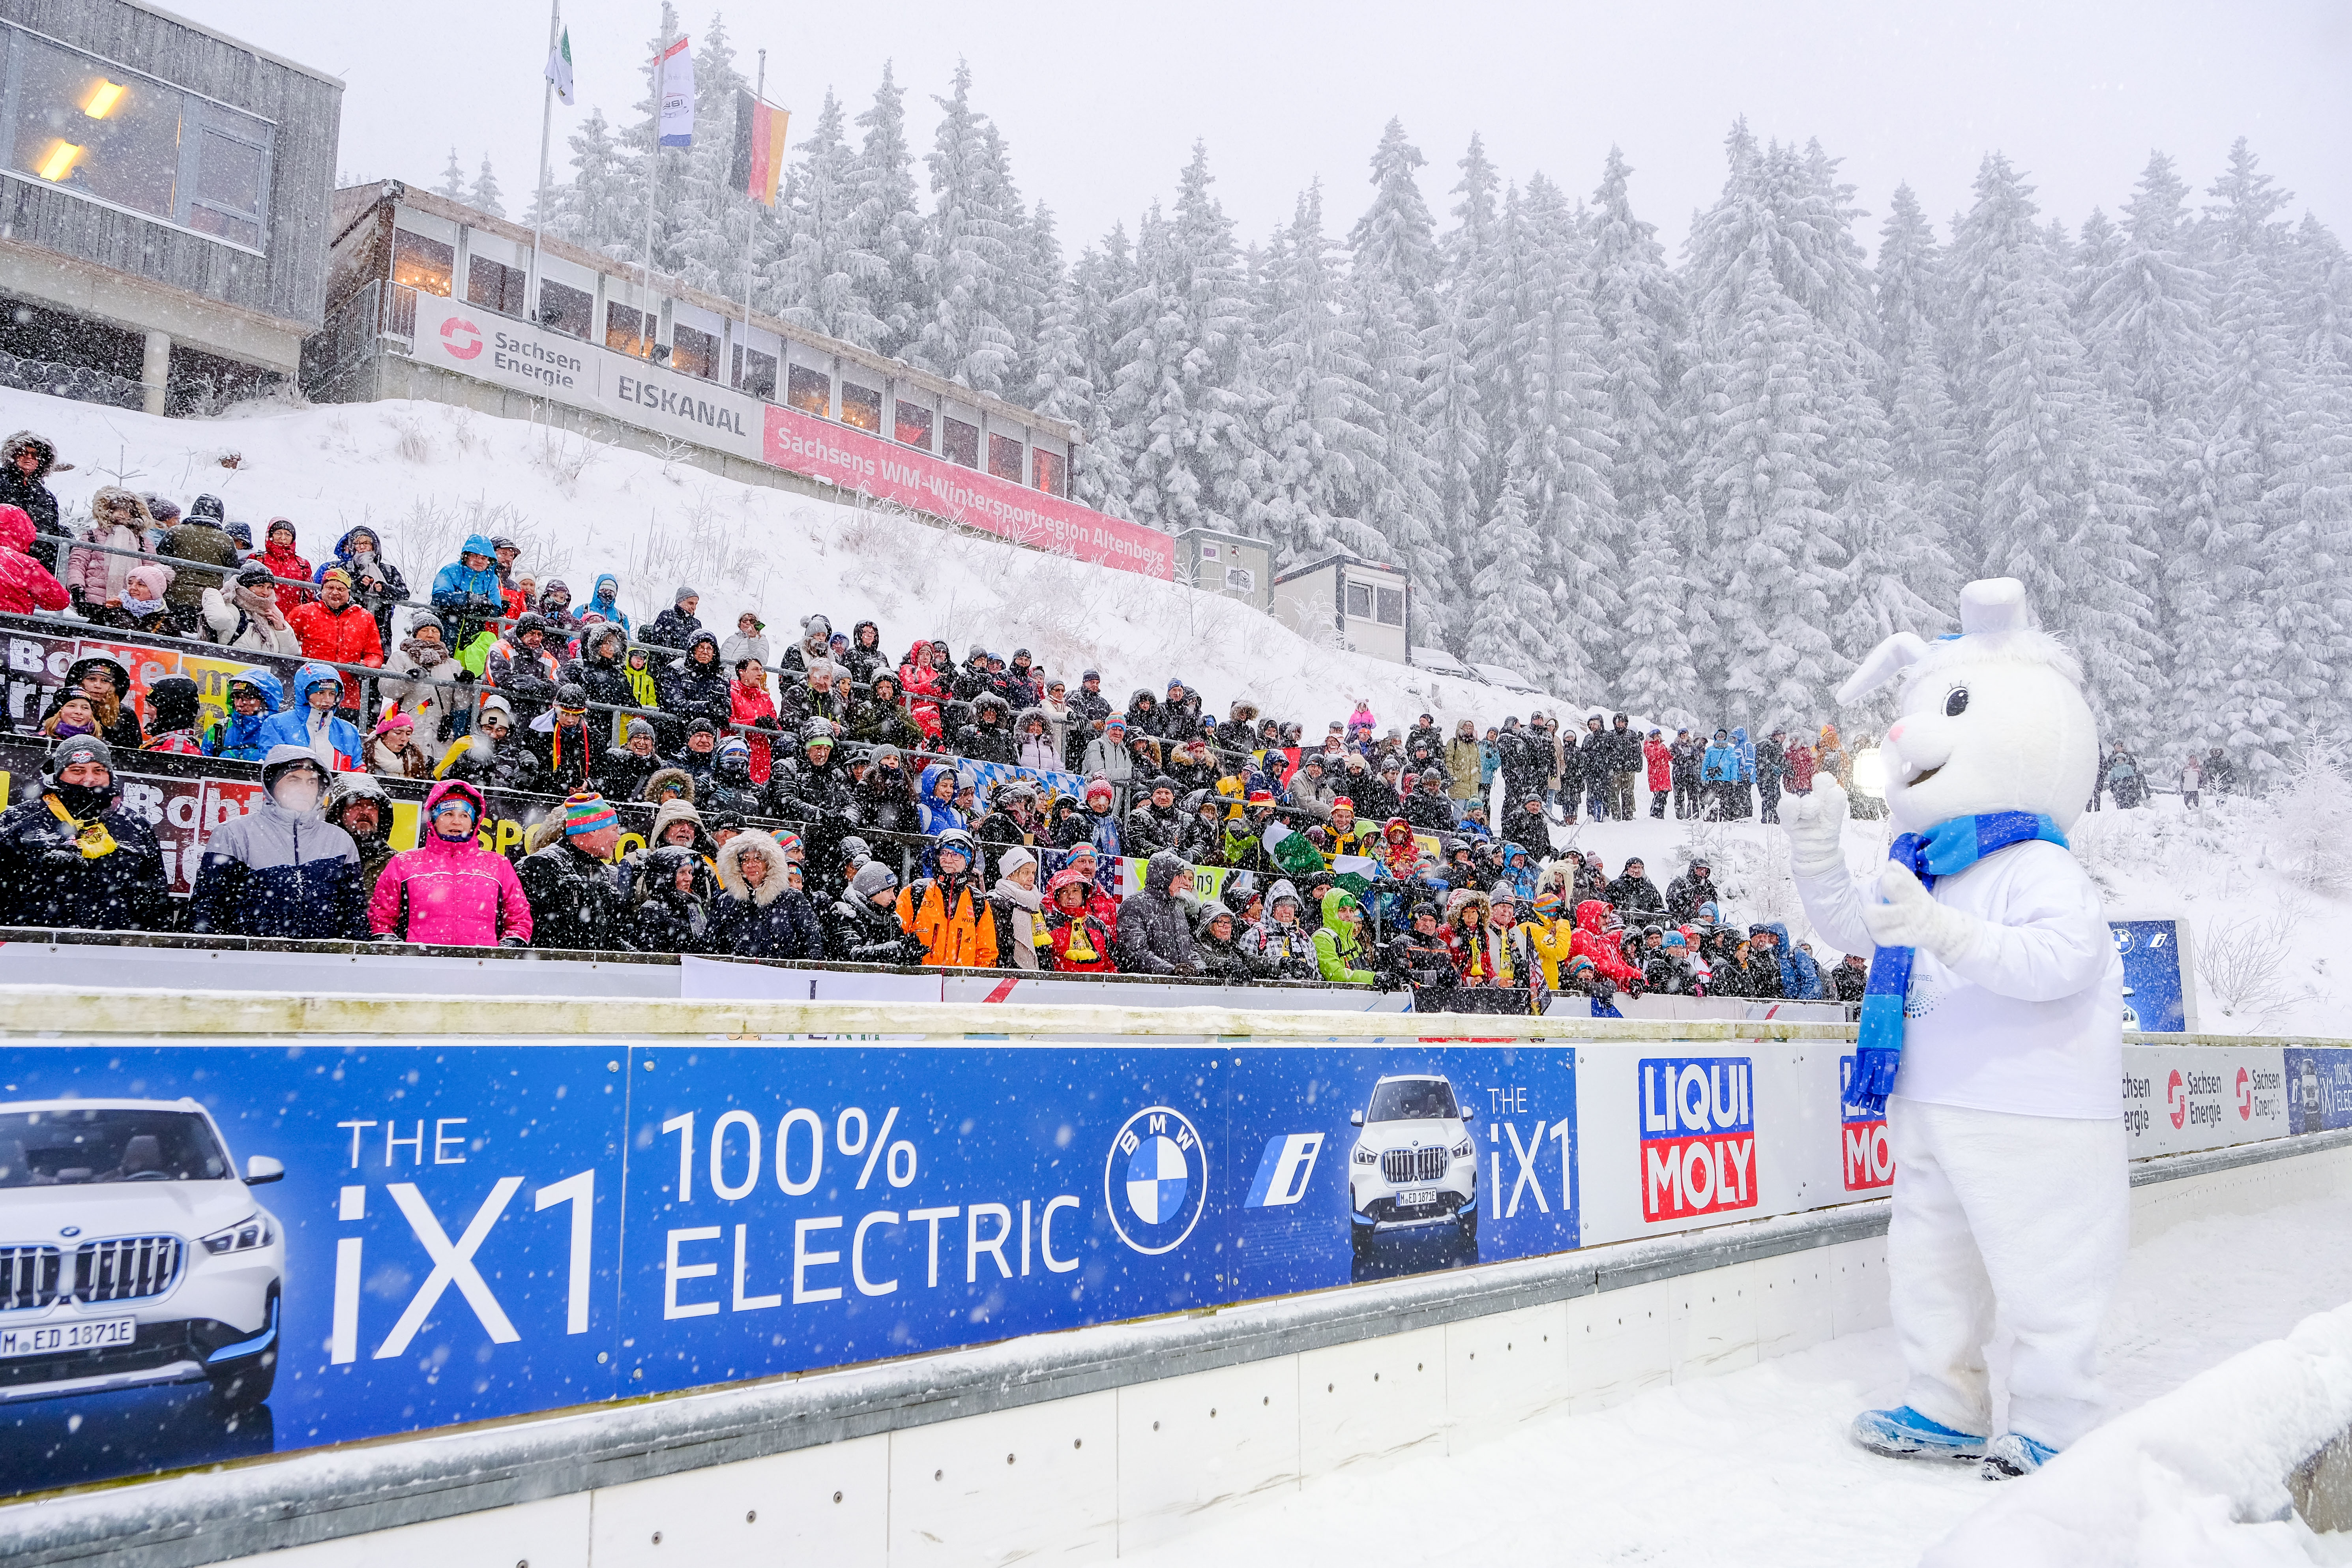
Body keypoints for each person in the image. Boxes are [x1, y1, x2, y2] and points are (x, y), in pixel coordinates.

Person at [191, 746, 364, 939]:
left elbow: (355, 914)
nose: (304, 790)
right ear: (272, 785)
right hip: (250, 961)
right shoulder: (235, 833)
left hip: (322, 961)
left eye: (312, 782)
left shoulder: (340, 840)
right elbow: (208, 908)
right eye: (294, 780)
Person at [0, 735, 170, 932]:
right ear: (58, 775)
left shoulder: (135, 825)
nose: (89, 779)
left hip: (111, 950)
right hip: (32, 948)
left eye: (99, 770)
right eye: (77, 771)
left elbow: (156, 900)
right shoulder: (17, 820)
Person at [367, 778, 530, 946]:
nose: (457, 822)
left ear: (474, 822)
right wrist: (397, 951)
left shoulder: (498, 865)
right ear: (434, 820)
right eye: (448, 814)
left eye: (464, 815)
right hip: (418, 966)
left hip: (481, 967)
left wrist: (505, 950)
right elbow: (381, 919)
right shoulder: (403, 863)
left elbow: (519, 918)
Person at [517, 792, 629, 952]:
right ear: (593, 830)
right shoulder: (541, 865)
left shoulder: (603, 871)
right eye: (614, 830)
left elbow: (611, 935)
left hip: (593, 970)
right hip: (553, 968)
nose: (618, 838)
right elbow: (527, 928)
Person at [713, 828, 824, 960]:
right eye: (745, 860)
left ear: (770, 862)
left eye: (758, 859)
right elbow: (711, 948)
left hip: (784, 977)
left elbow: (812, 943)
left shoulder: (793, 899)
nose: (751, 865)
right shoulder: (726, 902)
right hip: (738, 977)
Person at [288, 568, 385, 716]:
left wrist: (364, 667)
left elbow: (375, 654)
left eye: (341, 589)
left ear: (349, 593)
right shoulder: (303, 612)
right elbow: (286, 644)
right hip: (309, 692)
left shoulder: (365, 618)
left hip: (347, 696)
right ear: (322, 590)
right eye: (330, 587)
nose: (335, 592)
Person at [897, 828, 997, 968]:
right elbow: (897, 938)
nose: (948, 860)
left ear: (968, 861)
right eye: (944, 853)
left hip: (962, 984)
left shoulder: (978, 903)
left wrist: (978, 984)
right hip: (919, 981)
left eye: (956, 854)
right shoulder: (914, 892)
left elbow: (987, 954)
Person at [66, 486, 154, 626]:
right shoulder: (91, 536)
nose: (121, 514)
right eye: (115, 509)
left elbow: (152, 573)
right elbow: (78, 563)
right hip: (94, 601)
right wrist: (77, 588)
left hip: (132, 606)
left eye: (126, 511)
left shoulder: (143, 542)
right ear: (107, 511)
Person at [257, 661, 363, 770]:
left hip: (338, 787)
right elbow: (273, 769)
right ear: (305, 694)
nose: (327, 699)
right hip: (292, 787)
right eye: (320, 693)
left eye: (332, 694)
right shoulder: (277, 724)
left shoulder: (348, 730)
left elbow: (357, 772)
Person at [314, 525, 407, 648]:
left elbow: (404, 594)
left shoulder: (388, 571)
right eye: (357, 543)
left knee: (377, 659)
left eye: (366, 543)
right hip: (347, 622)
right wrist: (356, 586)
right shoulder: (344, 568)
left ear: (374, 545)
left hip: (380, 625)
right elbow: (333, 589)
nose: (362, 547)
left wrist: (385, 589)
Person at [160, 495, 239, 636]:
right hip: (208, 600)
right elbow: (232, 572)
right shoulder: (226, 540)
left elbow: (160, 561)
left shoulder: (176, 532)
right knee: (200, 640)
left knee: (172, 637)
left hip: (175, 596)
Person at [1118, 853, 1202, 975]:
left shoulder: (1177, 907)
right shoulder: (1134, 905)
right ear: (1165, 877)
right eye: (1179, 875)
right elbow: (1135, 954)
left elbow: (1190, 949)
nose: (1183, 881)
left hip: (1180, 989)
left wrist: (1202, 970)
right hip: (1149, 989)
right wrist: (1170, 970)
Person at [622, 845, 713, 955]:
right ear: (666, 876)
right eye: (682, 872)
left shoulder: (695, 905)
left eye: (690, 872)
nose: (689, 878)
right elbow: (652, 958)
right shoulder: (651, 911)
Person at [0, 430, 65, 574]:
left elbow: (51, 530)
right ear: (14, 455)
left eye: (35, 455)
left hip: (35, 563)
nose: (29, 457)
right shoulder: (1, 481)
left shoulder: (46, 496)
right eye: (24, 453)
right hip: (5, 557)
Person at [47, 656, 144, 751]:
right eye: (92, 679)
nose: (98, 685)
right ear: (80, 682)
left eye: (105, 681)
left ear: (113, 686)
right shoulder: (60, 707)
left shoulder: (125, 714)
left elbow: (134, 758)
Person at [326, 770, 397, 899]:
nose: (365, 812)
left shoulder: (396, 864)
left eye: (372, 807)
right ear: (339, 814)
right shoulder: (320, 858)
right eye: (356, 806)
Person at [430, 534, 506, 650]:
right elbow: (439, 597)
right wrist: (467, 599)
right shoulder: (450, 571)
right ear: (466, 557)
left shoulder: (491, 578)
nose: (479, 561)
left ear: (489, 561)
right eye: (475, 556)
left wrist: (481, 605)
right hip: (445, 629)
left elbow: (496, 608)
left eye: (484, 558)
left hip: (473, 635)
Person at [987, 845, 1051, 971]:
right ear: (1010, 876)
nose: (1031, 877)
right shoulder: (994, 903)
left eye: (1033, 873)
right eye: (1025, 872)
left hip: (1034, 979)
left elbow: (1044, 951)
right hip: (1003, 975)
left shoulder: (1038, 906)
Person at [1311, 887, 1374, 985]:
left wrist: (1380, 978)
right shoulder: (1322, 938)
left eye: (1351, 910)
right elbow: (1335, 975)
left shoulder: (1353, 942)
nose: (1348, 915)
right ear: (1331, 912)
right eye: (1343, 910)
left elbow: (1366, 970)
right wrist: (1372, 979)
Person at [728, 658, 779, 782]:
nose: (760, 673)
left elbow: (777, 729)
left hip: (763, 756)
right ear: (742, 672)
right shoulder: (731, 692)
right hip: (737, 754)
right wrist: (755, 723)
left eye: (761, 670)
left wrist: (773, 727)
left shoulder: (765, 698)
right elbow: (728, 724)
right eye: (755, 669)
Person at [253, 520, 313, 617]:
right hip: (261, 614)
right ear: (271, 536)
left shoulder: (303, 564)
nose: (283, 538)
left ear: (293, 539)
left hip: (293, 618)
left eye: (288, 534)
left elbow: (309, 595)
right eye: (278, 533)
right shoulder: (258, 559)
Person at [140, 674, 206, 756]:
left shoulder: (177, 747)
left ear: (168, 711)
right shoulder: (171, 743)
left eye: (150, 706)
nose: (146, 711)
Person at [368, 711, 432, 779]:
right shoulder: (364, 759)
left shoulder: (419, 761)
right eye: (398, 733)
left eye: (408, 734)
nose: (404, 739)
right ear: (383, 734)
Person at [647, 586, 703, 651]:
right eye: (691, 603)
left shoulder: (696, 624)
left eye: (696, 604)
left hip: (688, 660)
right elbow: (658, 643)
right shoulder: (667, 616)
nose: (694, 607)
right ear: (680, 602)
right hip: (668, 658)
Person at [1666, 860, 1718, 925]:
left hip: (1703, 927)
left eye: (1705, 871)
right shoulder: (1679, 883)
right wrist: (1688, 894)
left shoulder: (1708, 887)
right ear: (1693, 870)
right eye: (1700, 870)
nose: (1702, 873)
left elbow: (1714, 909)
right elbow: (1671, 900)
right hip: (1681, 925)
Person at [1757, 728, 1787, 824]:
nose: (1782, 739)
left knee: (1776, 799)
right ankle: (1767, 819)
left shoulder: (1779, 747)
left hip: (1774, 779)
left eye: (1784, 737)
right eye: (1781, 736)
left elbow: (1781, 761)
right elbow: (1761, 758)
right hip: (1764, 778)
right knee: (1768, 799)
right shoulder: (1765, 744)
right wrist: (1771, 766)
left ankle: (1776, 819)